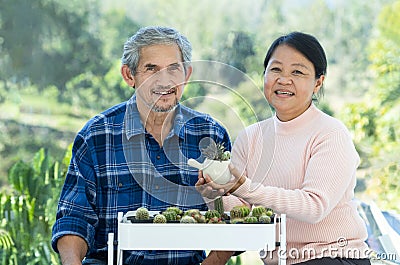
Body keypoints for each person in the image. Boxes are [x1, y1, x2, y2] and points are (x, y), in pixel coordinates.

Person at [51, 26, 232, 265]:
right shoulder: (96, 135)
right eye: (151, 69)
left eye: (173, 69)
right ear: (129, 75)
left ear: (187, 74)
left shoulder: (210, 134)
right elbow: (74, 218)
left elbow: (232, 216)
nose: (164, 80)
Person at [196, 32, 371, 265]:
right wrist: (216, 195)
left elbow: (313, 207)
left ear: (318, 82)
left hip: (334, 256)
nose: (284, 79)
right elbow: (241, 212)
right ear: (265, 75)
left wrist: (246, 188)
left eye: (297, 72)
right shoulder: (251, 137)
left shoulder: (330, 134)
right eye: (276, 70)